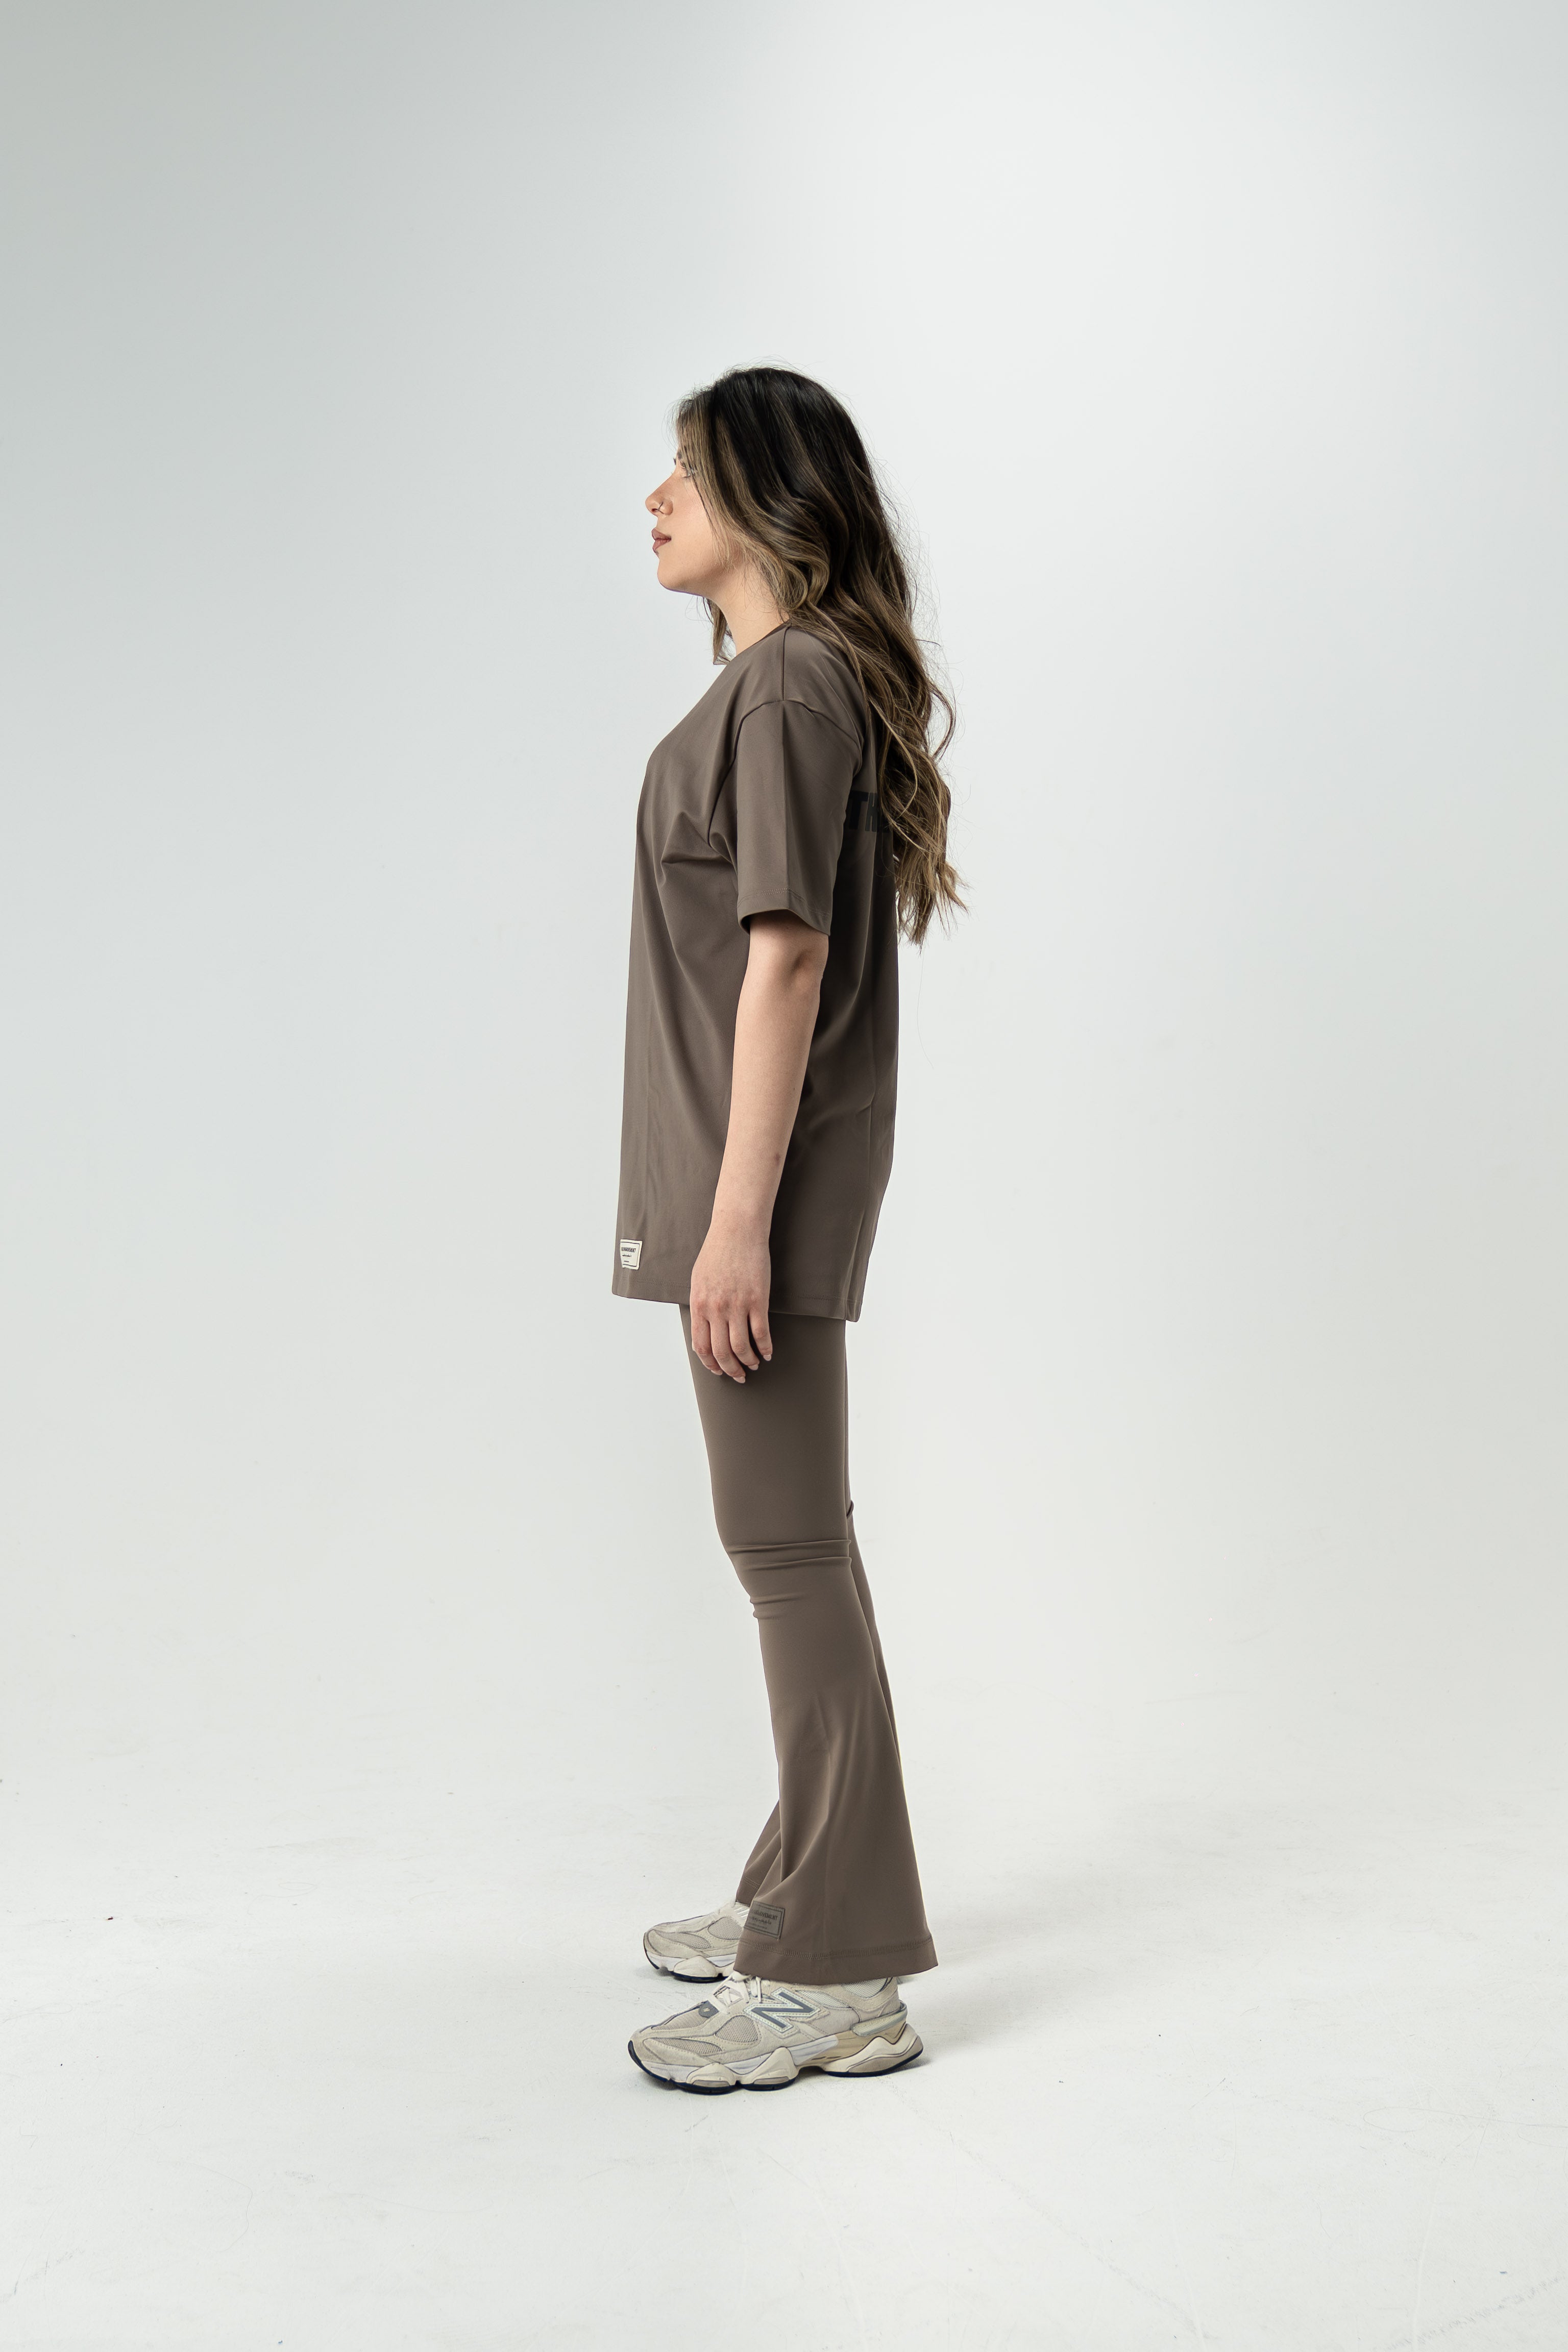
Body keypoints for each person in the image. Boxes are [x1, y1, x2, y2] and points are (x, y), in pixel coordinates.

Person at [612, 365, 962, 2094]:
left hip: (759, 1192)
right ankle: (801, 1885)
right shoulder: (783, 683)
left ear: (765, 494)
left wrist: (735, 1223)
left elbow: (790, 957)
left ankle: (839, 1968)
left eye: (687, 469)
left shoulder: (792, 684)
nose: (656, 497)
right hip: (740, 1187)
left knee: (786, 1550)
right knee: (797, 1540)